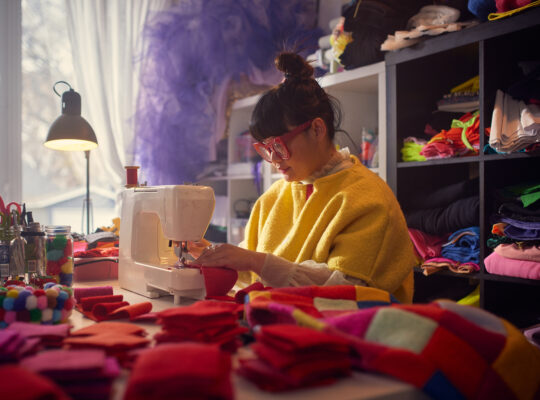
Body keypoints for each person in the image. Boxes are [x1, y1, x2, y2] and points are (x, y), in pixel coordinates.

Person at [190, 51, 416, 303]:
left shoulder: (368, 199)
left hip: (359, 332)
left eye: (278, 145)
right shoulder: (273, 198)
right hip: (287, 322)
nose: (273, 160)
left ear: (317, 129)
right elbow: (252, 273)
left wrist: (255, 261)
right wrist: (212, 253)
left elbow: (347, 290)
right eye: (265, 149)